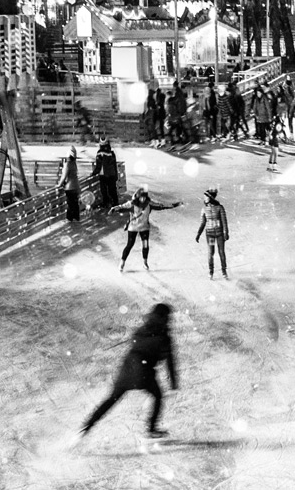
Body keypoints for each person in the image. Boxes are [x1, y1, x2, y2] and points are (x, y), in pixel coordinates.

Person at [80, 303, 178, 439]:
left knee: (111, 399)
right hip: (143, 372)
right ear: (165, 317)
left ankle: (87, 426)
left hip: (127, 369)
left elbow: (135, 342)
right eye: (168, 316)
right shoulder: (164, 337)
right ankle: (151, 430)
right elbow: (170, 362)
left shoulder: (142, 329)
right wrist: (174, 383)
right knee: (158, 395)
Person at [112, 186, 181, 272]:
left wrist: (174, 205)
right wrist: (114, 209)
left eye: (144, 197)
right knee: (129, 245)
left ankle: (145, 262)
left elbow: (161, 205)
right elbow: (122, 207)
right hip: (133, 227)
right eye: (141, 197)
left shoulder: (149, 204)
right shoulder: (132, 204)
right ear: (138, 196)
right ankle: (122, 263)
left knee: (145, 245)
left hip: (144, 227)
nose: (143, 199)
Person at [195, 187, 230, 279]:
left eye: (205, 197)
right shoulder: (204, 209)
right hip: (210, 234)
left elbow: (224, 221)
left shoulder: (220, 208)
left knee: (221, 252)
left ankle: (224, 271)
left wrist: (226, 232)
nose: (204, 199)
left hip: (219, 234)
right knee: (211, 252)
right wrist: (198, 234)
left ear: (210, 197)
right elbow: (202, 223)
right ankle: (211, 271)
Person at [91, 139, 119, 211]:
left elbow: (99, 166)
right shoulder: (112, 153)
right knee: (112, 190)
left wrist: (94, 173)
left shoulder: (100, 153)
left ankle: (106, 203)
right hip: (112, 174)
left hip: (104, 175)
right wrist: (116, 175)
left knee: (104, 191)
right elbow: (114, 165)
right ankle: (115, 203)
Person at [57, 146, 81, 222]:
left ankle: (69, 218)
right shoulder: (74, 164)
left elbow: (64, 176)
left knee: (70, 203)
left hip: (69, 187)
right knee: (75, 203)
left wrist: (59, 184)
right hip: (76, 186)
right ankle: (76, 218)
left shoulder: (67, 164)